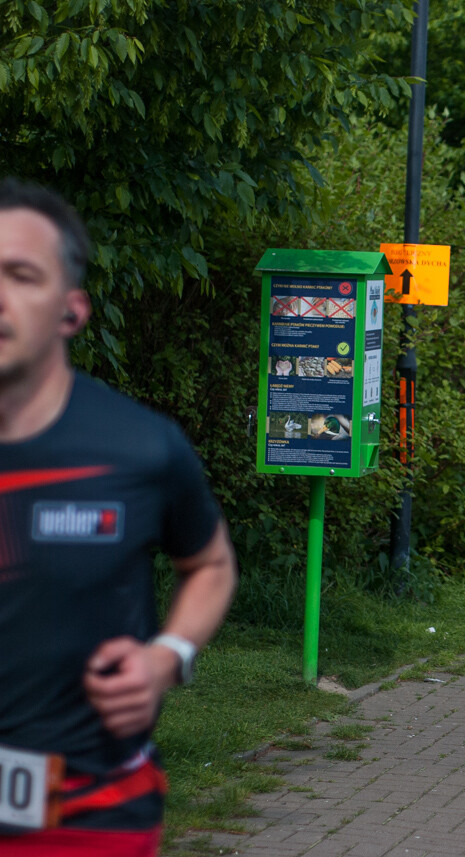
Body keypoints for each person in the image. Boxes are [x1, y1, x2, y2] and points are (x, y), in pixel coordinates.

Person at [0, 179, 238, 855]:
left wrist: (168, 657)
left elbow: (212, 563)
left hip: (85, 812)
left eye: (20, 275)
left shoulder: (138, 447)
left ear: (71, 310)